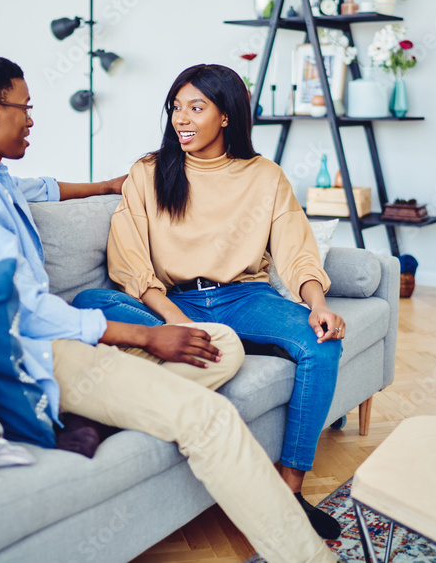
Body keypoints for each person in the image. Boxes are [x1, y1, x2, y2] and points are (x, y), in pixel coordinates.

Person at [0, 52, 338, 563]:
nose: (33, 118)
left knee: (226, 345)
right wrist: (152, 333)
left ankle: (112, 409)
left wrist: (107, 186)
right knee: (204, 408)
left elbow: (36, 188)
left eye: (196, 107)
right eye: (26, 107)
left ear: (226, 115)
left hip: (224, 302)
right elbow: (25, 309)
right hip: (28, 351)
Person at [72, 63, 345, 539]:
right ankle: (165, 367)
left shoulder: (264, 177)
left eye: (196, 107)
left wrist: (317, 303)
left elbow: (297, 252)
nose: (182, 118)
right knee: (91, 300)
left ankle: (291, 492)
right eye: (176, 107)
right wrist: (172, 318)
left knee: (321, 344)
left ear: (225, 116)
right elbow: (129, 259)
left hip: (245, 298)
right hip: (173, 302)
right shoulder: (149, 173)